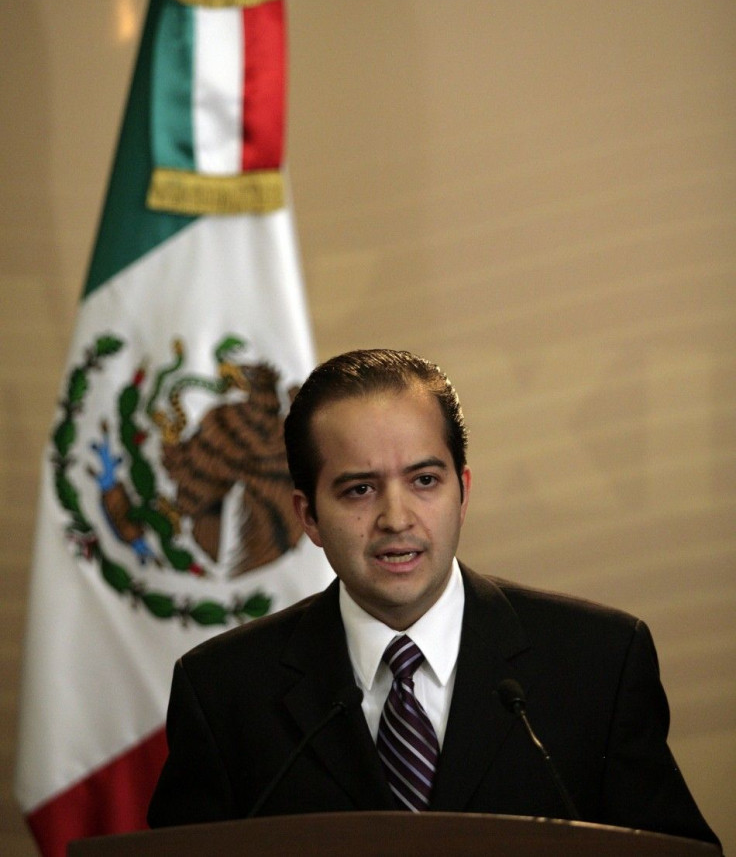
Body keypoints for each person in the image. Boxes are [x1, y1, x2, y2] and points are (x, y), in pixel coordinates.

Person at [148, 348, 720, 848]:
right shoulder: (224, 692)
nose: (396, 519)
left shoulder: (599, 663)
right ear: (308, 517)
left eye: (425, 481)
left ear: (462, 492)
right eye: (359, 489)